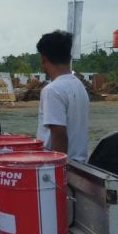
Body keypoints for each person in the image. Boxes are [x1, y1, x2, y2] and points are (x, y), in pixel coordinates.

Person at [35, 30, 89, 162]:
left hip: (60, 167)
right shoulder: (78, 85)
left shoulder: (52, 90)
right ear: (68, 57)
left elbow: (59, 135)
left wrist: (57, 170)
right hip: (79, 164)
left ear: (43, 59)